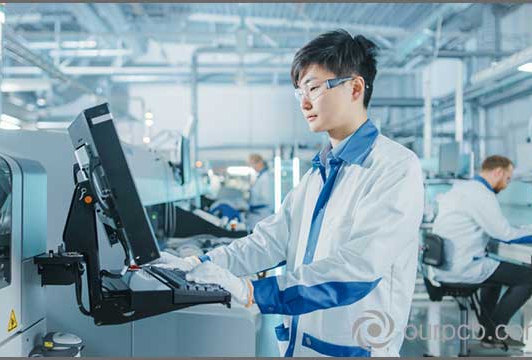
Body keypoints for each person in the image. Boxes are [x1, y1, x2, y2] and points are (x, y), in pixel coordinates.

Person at [156, 29, 424, 357]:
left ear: (355, 87)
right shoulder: (318, 174)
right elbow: (267, 242)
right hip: (300, 347)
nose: (305, 102)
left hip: (355, 350)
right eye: (299, 92)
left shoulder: (394, 166)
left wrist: (253, 291)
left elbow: (358, 270)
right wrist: (200, 263)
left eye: (313, 87)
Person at [432, 155, 532, 346]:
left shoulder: (463, 188)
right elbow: (505, 234)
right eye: (507, 178)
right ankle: (495, 331)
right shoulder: (482, 194)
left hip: (446, 265)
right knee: (528, 277)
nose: (507, 184)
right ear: (498, 172)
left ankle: (487, 333)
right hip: (463, 267)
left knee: (494, 273)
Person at [246, 154, 274, 231]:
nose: (253, 167)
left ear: (260, 162)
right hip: (257, 215)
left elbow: (267, 199)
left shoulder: (266, 177)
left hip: (261, 214)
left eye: (253, 164)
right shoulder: (261, 177)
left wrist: (251, 205)